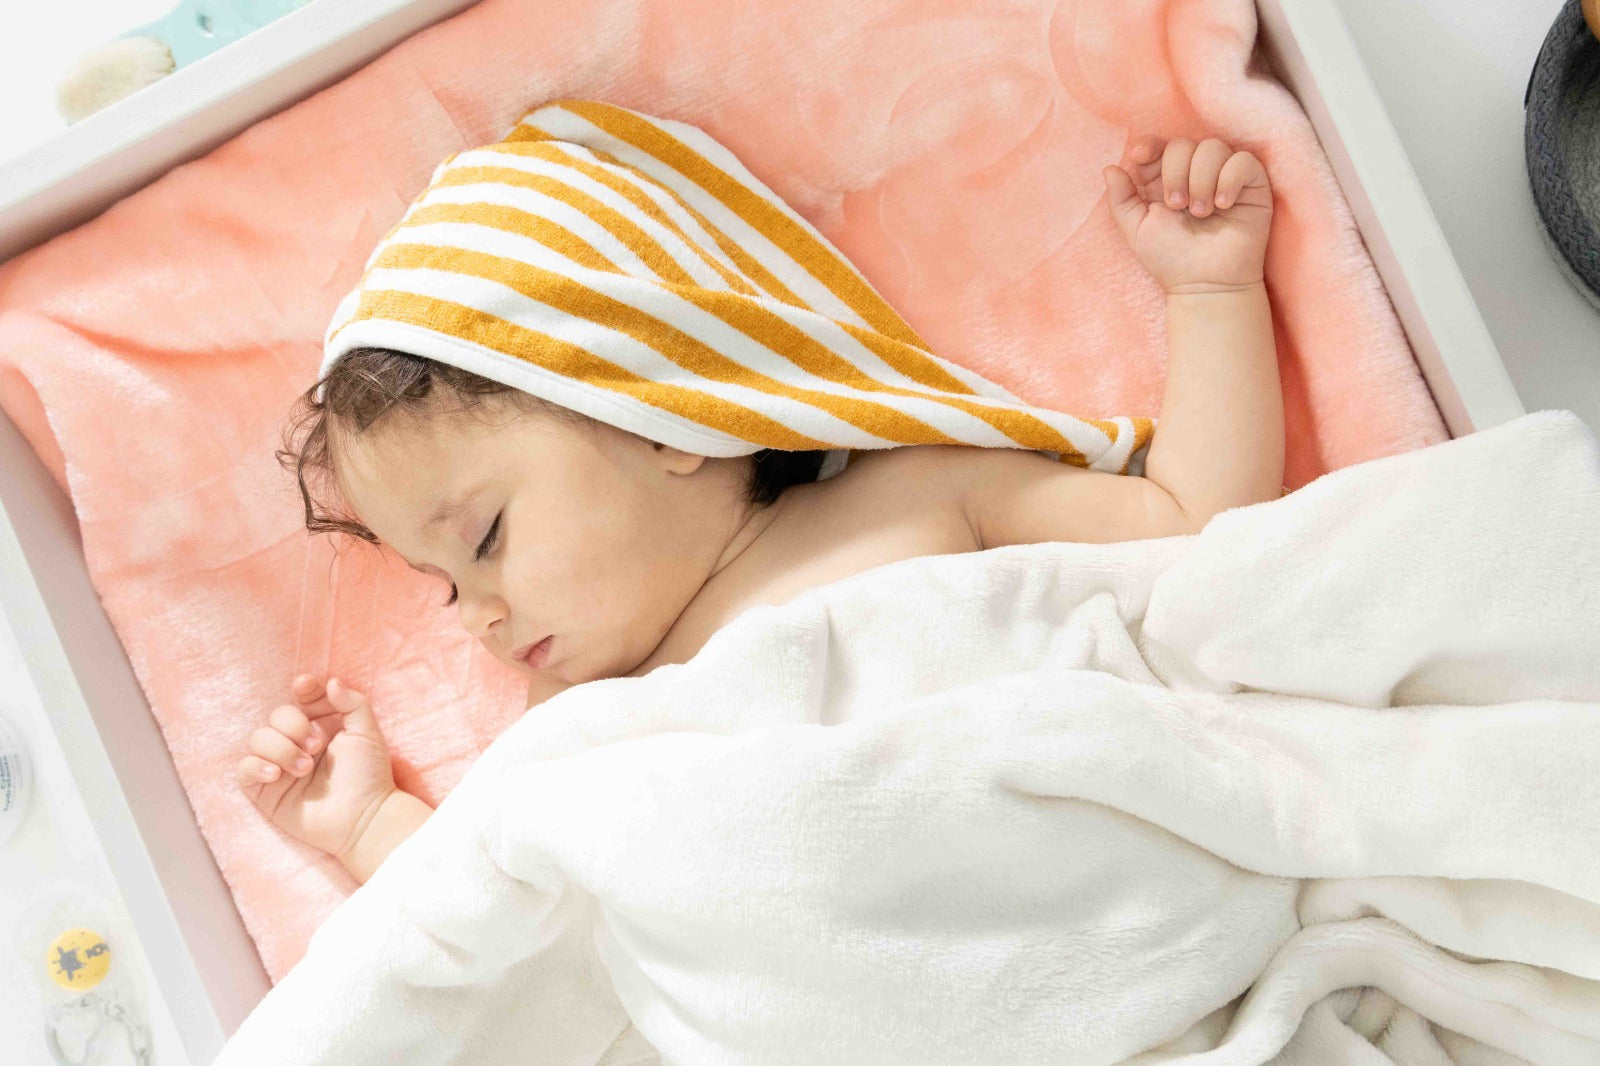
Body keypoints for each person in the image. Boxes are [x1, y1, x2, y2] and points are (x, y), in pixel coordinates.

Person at [236, 131, 1282, 884]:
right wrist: (369, 826)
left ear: (662, 420)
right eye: (444, 587)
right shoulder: (576, 717)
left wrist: (1212, 294)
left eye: (486, 539)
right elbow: (503, 900)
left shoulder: (922, 497)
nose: (477, 617)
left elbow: (1197, 531)